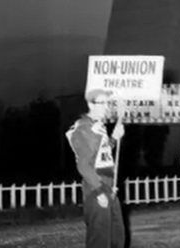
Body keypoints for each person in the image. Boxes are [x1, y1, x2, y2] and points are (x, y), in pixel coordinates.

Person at [66, 89, 125, 248]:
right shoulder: (84, 127)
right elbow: (84, 165)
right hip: (95, 186)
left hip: (108, 185)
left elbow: (101, 154)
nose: (106, 107)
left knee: (117, 236)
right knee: (100, 239)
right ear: (90, 104)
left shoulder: (98, 126)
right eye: (102, 103)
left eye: (108, 103)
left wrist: (114, 138)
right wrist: (99, 191)